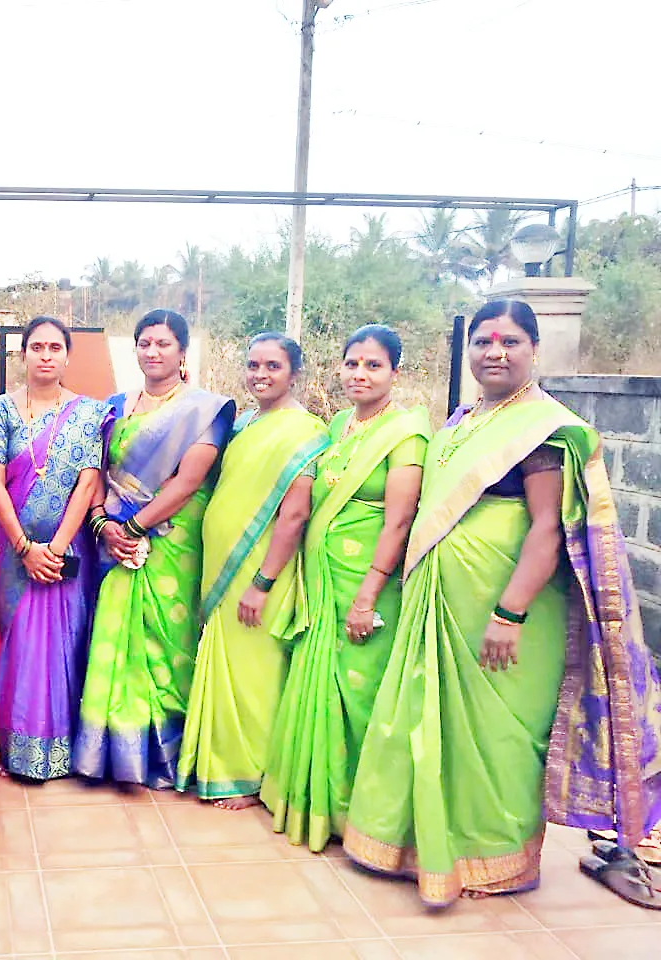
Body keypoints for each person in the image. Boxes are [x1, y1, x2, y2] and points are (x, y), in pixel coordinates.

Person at [343, 300, 661, 906]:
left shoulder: (541, 428)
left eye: (510, 341)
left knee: (498, 740)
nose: (495, 352)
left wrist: (509, 613)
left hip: (504, 613)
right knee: (426, 726)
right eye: (483, 342)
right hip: (442, 604)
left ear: (534, 349)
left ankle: (495, 863)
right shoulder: (463, 420)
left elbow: (546, 529)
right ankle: (421, 849)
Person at [260, 324, 430, 851]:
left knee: (359, 695)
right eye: (352, 363)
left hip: (367, 586)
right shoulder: (337, 424)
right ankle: (317, 805)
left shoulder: (407, 434)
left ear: (395, 372)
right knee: (319, 687)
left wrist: (367, 596)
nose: (360, 374)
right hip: (323, 579)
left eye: (374, 365)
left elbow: (399, 521)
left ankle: (361, 815)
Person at [73, 309, 235, 789]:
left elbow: (188, 480)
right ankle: (112, 756)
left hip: (172, 539)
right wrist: (103, 524)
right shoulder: (115, 407)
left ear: (182, 352)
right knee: (115, 637)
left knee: (167, 641)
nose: (153, 351)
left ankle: (163, 756)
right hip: (115, 538)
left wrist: (132, 526)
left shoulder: (204, 409)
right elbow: (97, 473)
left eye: (163, 343)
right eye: (145, 343)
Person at [176, 332, 329, 808]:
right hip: (220, 567)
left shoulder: (306, 432)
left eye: (273, 366)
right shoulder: (242, 424)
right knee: (226, 666)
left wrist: (263, 582)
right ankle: (220, 765)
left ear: (294, 374)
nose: (260, 375)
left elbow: (294, 515)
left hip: (261, 571)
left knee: (255, 675)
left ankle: (250, 776)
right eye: (254, 365)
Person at [0, 315, 112, 781]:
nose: (45, 355)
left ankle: (62, 750)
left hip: (67, 550)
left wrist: (53, 549)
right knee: (19, 645)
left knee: (64, 644)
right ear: (23, 354)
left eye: (55, 348)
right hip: (15, 551)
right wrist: (24, 548)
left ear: (67, 356)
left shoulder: (89, 413)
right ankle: (17, 749)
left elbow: (88, 483)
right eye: (37, 347)